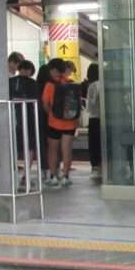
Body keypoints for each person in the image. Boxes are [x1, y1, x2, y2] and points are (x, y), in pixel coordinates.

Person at [40, 58, 78, 187]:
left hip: (54, 123)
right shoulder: (70, 84)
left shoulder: (50, 85)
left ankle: (53, 176)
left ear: (53, 70)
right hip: (70, 123)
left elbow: (45, 104)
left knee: (53, 150)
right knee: (67, 150)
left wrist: (51, 114)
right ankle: (66, 176)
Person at [11, 59, 40, 184]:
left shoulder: (9, 82)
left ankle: (10, 175)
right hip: (28, 118)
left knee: (13, 146)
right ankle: (26, 176)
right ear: (29, 71)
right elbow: (36, 100)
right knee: (30, 147)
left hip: (11, 118)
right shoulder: (33, 83)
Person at [85, 62, 102, 181]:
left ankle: (95, 167)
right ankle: (103, 166)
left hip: (94, 118)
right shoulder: (104, 84)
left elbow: (89, 106)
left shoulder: (92, 86)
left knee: (94, 144)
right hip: (104, 118)